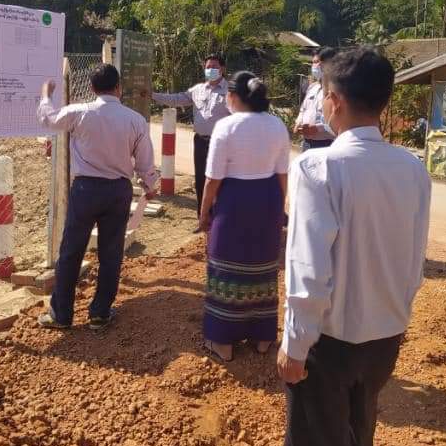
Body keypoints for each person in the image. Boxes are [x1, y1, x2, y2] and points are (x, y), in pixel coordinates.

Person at [278, 47, 431, 446]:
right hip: (385, 339)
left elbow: (308, 269)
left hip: (329, 342)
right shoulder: (412, 168)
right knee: (358, 439)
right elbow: (415, 259)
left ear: (334, 100)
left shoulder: (317, 167)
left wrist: (295, 344)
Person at [36, 64, 159, 331]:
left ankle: (61, 315)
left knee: (71, 251)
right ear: (119, 88)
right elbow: (145, 161)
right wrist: (149, 185)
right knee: (111, 253)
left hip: (85, 191)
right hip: (118, 191)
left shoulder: (79, 113)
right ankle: (100, 313)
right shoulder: (135, 120)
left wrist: (46, 95)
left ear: (92, 88)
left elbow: (49, 120)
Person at [199, 71, 290, 362]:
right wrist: (279, 209)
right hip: (268, 199)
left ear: (234, 97)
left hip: (234, 202)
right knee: (263, 267)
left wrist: (204, 212)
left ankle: (222, 342)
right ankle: (263, 337)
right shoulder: (277, 125)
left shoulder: (226, 126)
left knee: (226, 267)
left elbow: (213, 179)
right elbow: (282, 174)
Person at [145, 54, 230, 224]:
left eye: (214, 67)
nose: (210, 70)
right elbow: (176, 99)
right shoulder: (197, 90)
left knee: (220, 180)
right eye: (208, 67)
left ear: (222, 69)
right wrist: (153, 95)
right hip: (201, 141)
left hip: (222, 144)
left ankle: (221, 218)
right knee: (201, 179)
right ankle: (202, 217)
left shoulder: (230, 91)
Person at [294, 47, 337, 150]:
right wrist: (298, 122)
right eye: (313, 62)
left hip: (326, 144)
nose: (316, 66)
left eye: (318, 62)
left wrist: (318, 129)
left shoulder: (337, 90)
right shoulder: (312, 87)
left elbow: (336, 118)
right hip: (306, 142)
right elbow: (303, 109)